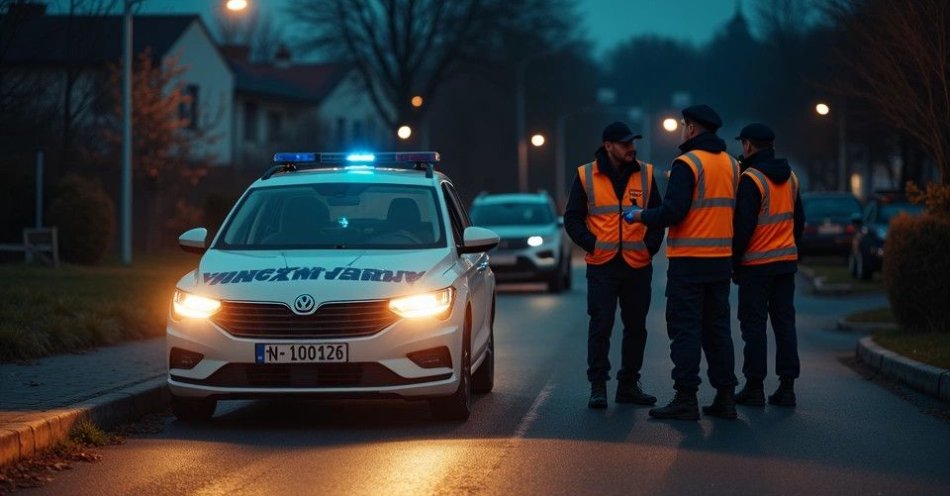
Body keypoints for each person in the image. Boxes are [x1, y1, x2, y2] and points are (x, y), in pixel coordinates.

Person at [626, 105, 740, 420]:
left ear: (690, 128)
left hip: (689, 263)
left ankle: (686, 398)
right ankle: (725, 397)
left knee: (685, 330)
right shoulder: (732, 165)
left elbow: (672, 212)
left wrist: (639, 215)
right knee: (718, 331)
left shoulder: (687, 163)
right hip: (720, 261)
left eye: (682, 125)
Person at [564, 121, 664, 409]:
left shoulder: (645, 173)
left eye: (632, 142)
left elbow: (657, 215)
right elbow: (572, 218)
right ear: (608, 146)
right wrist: (591, 242)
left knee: (636, 328)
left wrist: (650, 246)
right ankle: (598, 386)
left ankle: (628, 385)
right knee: (601, 326)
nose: (631, 148)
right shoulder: (586, 175)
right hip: (602, 265)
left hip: (637, 263)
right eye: (624, 143)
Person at [731, 123, 804, 407]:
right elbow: (799, 221)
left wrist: (734, 263)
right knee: (785, 324)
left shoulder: (751, 179)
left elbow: (743, 227)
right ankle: (787, 387)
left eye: (742, 144)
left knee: (754, 326)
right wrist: (787, 245)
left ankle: (754, 386)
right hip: (785, 264)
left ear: (748, 145)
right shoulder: (792, 177)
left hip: (756, 266)